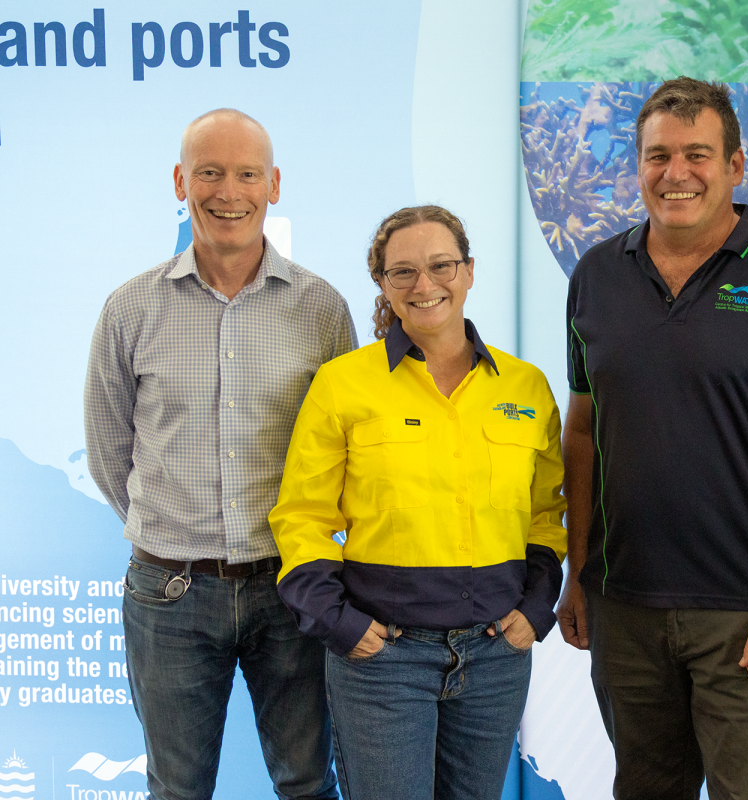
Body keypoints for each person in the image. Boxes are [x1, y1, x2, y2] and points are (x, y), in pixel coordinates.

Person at [556, 77, 748, 799]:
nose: (676, 173)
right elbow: (584, 431)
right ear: (638, 165)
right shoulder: (597, 274)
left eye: (697, 154)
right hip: (625, 612)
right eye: (658, 155)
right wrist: (578, 571)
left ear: (735, 165)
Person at [84, 108, 355, 800]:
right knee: (176, 789)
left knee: (306, 783)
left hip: (292, 588)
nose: (227, 191)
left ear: (274, 185)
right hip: (169, 592)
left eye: (246, 174)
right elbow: (111, 448)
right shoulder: (130, 309)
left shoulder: (322, 310)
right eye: (209, 172)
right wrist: (172, 531)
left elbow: (348, 449)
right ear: (181, 180)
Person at [269, 205, 567, 800]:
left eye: (441, 266)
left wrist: (536, 609)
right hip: (384, 661)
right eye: (402, 272)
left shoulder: (525, 387)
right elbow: (301, 516)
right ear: (382, 283)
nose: (425, 286)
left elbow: (546, 513)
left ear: (470, 271)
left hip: (494, 657)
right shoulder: (342, 384)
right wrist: (337, 622)